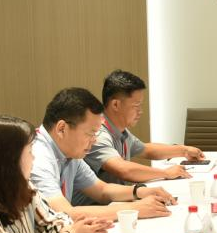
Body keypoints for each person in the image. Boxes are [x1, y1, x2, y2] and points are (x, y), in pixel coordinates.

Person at [30, 87, 173, 222]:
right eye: (91, 133)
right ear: (62, 129)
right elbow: (64, 213)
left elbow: (102, 190)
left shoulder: (68, 152)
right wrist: (134, 209)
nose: (95, 140)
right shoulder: (38, 157)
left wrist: (140, 191)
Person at [85, 70, 206, 190]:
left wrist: (184, 150)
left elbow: (146, 150)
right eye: (136, 105)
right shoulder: (98, 135)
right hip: (100, 201)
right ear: (115, 105)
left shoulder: (119, 130)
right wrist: (166, 173)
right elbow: (123, 170)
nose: (140, 111)